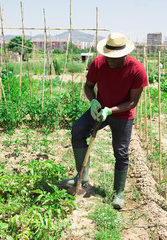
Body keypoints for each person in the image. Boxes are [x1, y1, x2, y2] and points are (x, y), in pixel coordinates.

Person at [62, 32, 148, 209]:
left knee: (121, 152)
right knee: (78, 131)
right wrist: (93, 101)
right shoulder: (98, 63)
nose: (110, 60)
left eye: (115, 58)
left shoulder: (137, 69)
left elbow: (133, 102)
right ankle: (82, 176)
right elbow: (88, 86)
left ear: (124, 54)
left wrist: (111, 110)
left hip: (122, 114)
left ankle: (118, 193)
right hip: (100, 110)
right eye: (108, 56)